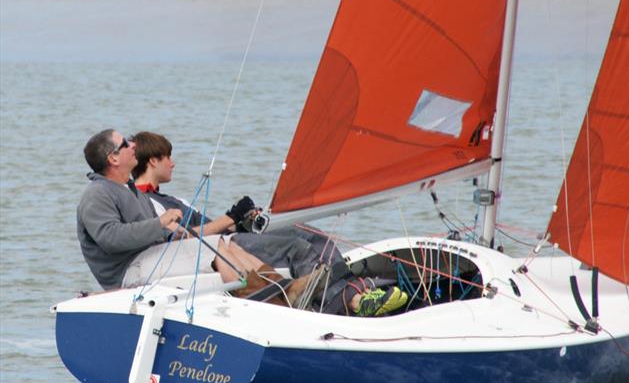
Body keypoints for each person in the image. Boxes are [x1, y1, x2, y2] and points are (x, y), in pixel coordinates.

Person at [129, 131, 408, 317]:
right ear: (154, 160)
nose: (173, 164)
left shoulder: (172, 197)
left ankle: (360, 289)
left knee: (306, 231)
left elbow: (214, 228)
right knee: (296, 247)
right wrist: (231, 217)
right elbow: (186, 239)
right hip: (214, 251)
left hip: (228, 239)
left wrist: (243, 222)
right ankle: (349, 303)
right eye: (168, 158)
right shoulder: (147, 204)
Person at [77, 128, 309, 303]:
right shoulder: (97, 193)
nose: (132, 145)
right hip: (129, 271)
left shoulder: (127, 189)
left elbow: (149, 233)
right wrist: (159, 224)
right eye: (125, 144)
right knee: (212, 249)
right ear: (113, 158)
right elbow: (110, 237)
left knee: (226, 243)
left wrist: (171, 232)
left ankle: (285, 288)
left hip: (151, 257)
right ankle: (263, 300)